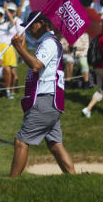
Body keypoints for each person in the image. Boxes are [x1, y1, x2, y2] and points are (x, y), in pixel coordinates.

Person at [9, 13, 76, 177]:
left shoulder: (49, 43)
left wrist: (19, 48)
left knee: (21, 141)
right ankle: (74, 179)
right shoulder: (47, 43)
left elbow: (36, 65)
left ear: (41, 23)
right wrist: (22, 49)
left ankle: (10, 184)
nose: (29, 30)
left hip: (45, 100)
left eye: (31, 25)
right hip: (51, 101)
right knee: (55, 144)